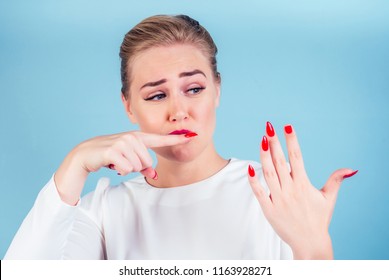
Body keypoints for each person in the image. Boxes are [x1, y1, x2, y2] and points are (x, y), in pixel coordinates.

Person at [4, 14, 357, 260]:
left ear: (217, 91)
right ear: (128, 106)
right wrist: (74, 164)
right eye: (156, 95)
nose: (178, 111)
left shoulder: (277, 195)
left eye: (194, 88)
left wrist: (315, 252)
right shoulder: (103, 211)